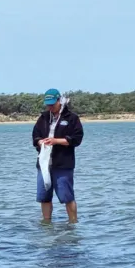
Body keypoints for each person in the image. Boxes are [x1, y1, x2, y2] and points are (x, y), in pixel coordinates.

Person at [32, 88, 84, 223]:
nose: (50, 107)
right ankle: (46, 223)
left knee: (67, 196)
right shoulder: (43, 117)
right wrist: (40, 142)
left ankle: (73, 223)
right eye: (47, 104)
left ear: (59, 101)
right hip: (44, 164)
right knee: (44, 197)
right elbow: (35, 137)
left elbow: (76, 139)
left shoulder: (72, 118)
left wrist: (56, 141)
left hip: (63, 164)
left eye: (52, 104)